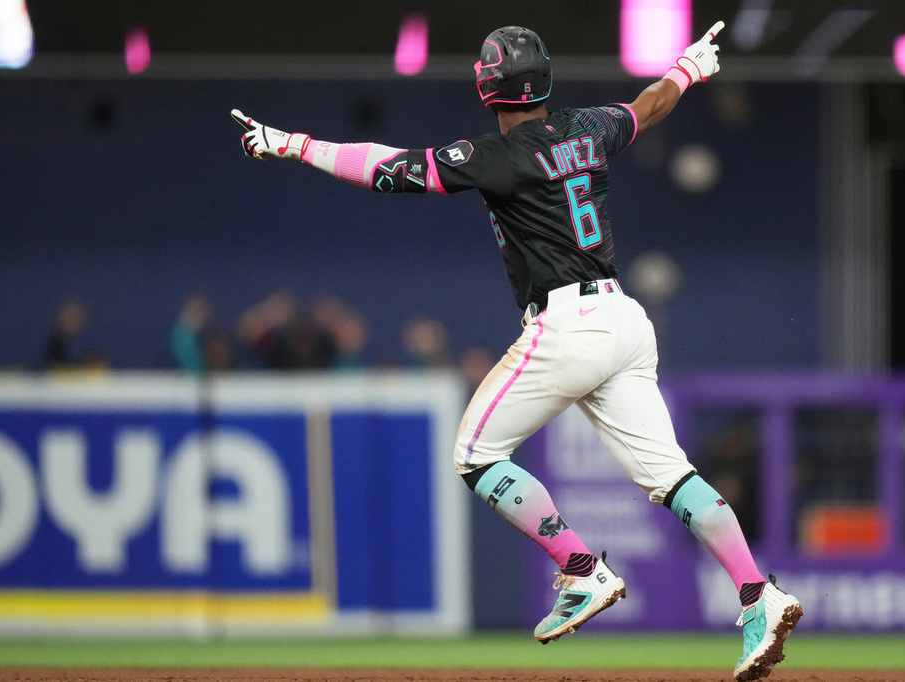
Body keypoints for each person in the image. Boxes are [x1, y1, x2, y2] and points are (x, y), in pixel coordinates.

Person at [231, 21, 801, 680]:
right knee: (672, 477)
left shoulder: (496, 155)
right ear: (546, 80)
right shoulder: (587, 126)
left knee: (474, 455)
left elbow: (390, 169)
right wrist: (686, 71)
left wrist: (293, 143)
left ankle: (582, 569)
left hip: (567, 324)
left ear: (486, 87)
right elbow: (648, 107)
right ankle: (759, 592)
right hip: (624, 317)